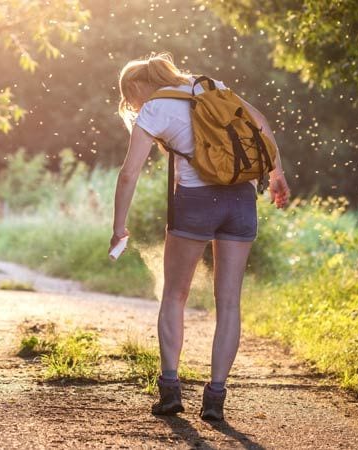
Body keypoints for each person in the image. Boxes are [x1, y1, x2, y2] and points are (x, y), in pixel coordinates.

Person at [110, 53, 290, 421]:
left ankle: (171, 390)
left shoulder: (155, 109)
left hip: (194, 202)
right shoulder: (210, 87)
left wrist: (118, 226)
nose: (133, 105)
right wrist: (276, 174)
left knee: (175, 295)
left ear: (136, 88)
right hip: (241, 199)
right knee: (229, 303)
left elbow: (129, 174)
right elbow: (260, 122)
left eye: (131, 98)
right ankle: (215, 399)